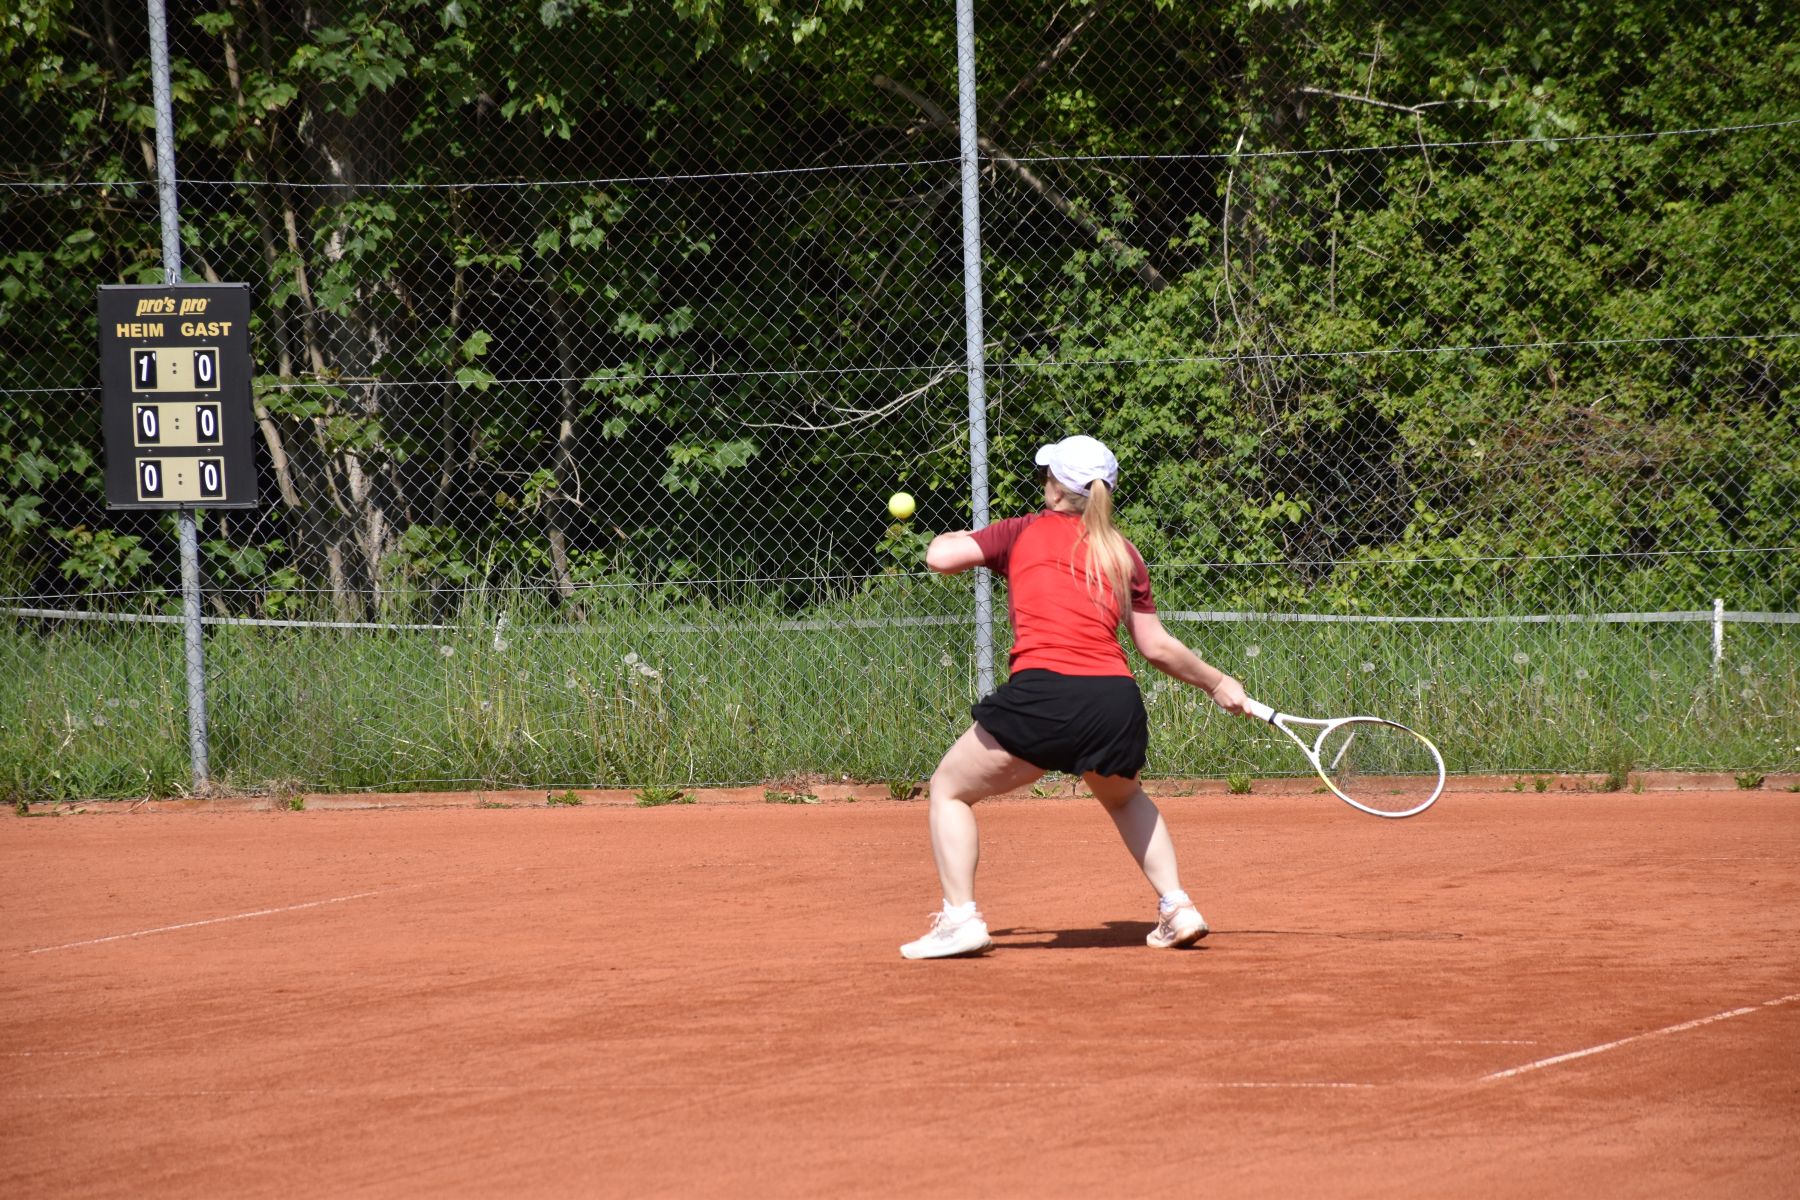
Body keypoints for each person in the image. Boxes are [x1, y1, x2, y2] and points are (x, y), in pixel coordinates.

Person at [900, 434, 1253, 960]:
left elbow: (940, 557)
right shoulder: (1123, 552)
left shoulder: (1022, 530)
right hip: (1115, 702)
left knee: (948, 789)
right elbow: (1155, 646)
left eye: (1046, 476)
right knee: (1125, 798)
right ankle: (1178, 908)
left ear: (1055, 490)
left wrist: (954, 534)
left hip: (1046, 695)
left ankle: (961, 920)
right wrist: (1218, 682)